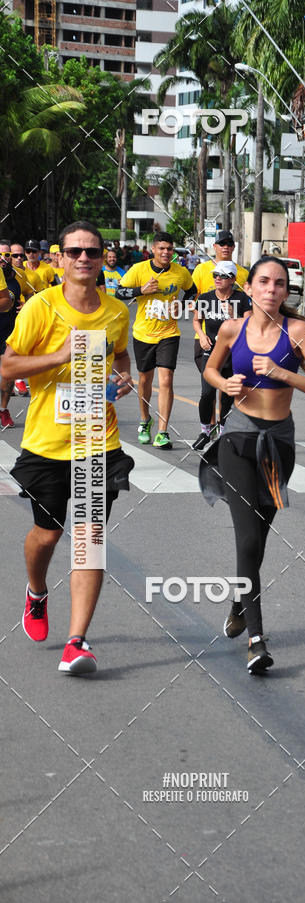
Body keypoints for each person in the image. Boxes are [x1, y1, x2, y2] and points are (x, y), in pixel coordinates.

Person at [1, 220, 134, 675]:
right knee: (48, 534)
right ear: (59, 257)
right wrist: (59, 356)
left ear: (101, 260)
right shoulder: (40, 307)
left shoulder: (116, 311)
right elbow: (7, 365)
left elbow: (120, 354)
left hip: (99, 441)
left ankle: (77, 642)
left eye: (92, 252)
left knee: (89, 542)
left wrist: (123, 378)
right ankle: (36, 591)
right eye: (74, 251)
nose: (83, 259)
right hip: (46, 443)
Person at [200, 256, 305, 673]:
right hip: (238, 440)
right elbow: (209, 368)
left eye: (280, 284)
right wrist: (224, 382)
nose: (273, 289)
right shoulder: (231, 328)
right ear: (251, 287)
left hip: (279, 446)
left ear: (286, 292)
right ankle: (257, 641)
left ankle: (240, 602)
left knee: (258, 539)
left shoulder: (300, 332)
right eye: (264, 281)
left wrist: (283, 372)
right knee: (246, 540)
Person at [115, 231, 196, 448]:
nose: (166, 252)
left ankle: (162, 431)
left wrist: (184, 304)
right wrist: (140, 290)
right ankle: (144, 421)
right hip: (143, 333)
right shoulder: (139, 269)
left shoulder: (180, 272)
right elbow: (119, 293)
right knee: (144, 380)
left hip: (169, 333)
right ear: (153, 250)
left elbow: (192, 291)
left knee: (167, 378)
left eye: (169, 249)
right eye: (161, 248)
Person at [192, 260, 252, 450]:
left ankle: (223, 431)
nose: (218, 279)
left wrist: (234, 314)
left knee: (227, 395)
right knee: (207, 393)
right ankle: (205, 432)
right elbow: (196, 320)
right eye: (215, 275)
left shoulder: (242, 299)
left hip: (233, 353)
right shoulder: (206, 298)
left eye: (223, 276)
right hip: (211, 352)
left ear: (233, 279)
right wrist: (201, 336)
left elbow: (250, 324)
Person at [0, 240, 24, 427]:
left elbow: (38, 296)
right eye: (1, 254)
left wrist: (28, 305)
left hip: (8, 334)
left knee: (7, 376)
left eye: (8, 255)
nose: (4, 258)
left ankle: (3, 410)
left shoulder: (20, 277)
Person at [192, 230, 249, 294]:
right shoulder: (201, 269)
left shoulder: (244, 274)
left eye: (229, 244)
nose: (226, 247)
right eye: (222, 243)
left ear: (233, 247)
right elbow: (193, 297)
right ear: (214, 246)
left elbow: (248, 300)